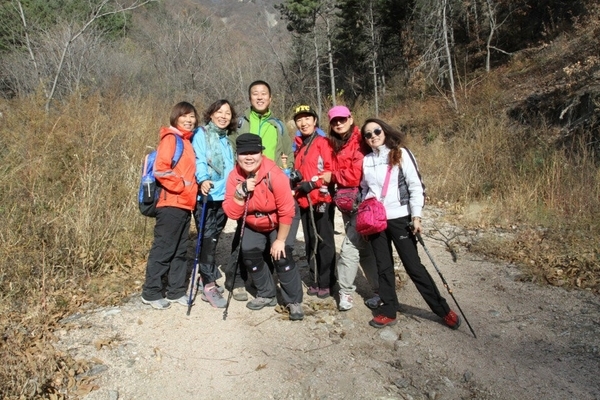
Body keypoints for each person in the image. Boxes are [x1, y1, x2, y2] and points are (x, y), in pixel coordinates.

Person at [359, 118, 461, 329]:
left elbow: (416, 186)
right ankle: (388, 311)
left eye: (376, 131)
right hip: (376, 221)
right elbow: (364, 189)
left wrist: (416, 216)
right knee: (383, 267)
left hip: (400, 218)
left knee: (414, 267)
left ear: (385, 131)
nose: (373, 136)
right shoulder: (366, 160)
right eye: (368, 135)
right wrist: (365, 211)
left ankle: (443, 310)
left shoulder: (401, 154)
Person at [222, 133, 304, 320]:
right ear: (237, 155)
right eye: (244, 153)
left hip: (281, 218)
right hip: (253, 221)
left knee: (281, 255)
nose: (249, 157)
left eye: (253, 152)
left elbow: (286, 210)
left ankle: (294, 300)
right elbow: (233, 214)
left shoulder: (274, 174)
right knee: (249, 252)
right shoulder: (234, 177)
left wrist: (280, 240)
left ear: (261, 153)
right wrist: (239, 194)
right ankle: (266, 294)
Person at [226, 80, 295, 301]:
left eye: (263, 93)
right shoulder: (240, 123)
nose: (259, 97)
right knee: (243, 234)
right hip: (244, 182)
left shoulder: (278, 125)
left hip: (270, 183)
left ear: (270, 98)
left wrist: (284, 176)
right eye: (255, 93)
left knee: (268, 237)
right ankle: (237, 279)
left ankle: (265, 282)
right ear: (250, 98)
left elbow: (287, 153)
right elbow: (230, 148)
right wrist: (236, 181)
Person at [319, 106, 379, 311]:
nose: (338, 123)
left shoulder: (360, 141)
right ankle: (380, 290)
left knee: (349, 248)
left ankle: (345, 291)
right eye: (334, 121)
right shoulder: (335, 143)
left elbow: (355, 175)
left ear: (351, 119)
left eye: (342, 119)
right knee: (364, 248)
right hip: (346, 202)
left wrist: (333, 176)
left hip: (362, 201)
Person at [141, 101, 199, 310]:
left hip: (184, 205)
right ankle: (151, 292)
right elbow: (161, 169)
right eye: (184, 116)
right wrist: (181, 186)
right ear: (175, 117)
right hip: (170, 203)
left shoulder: (186, 141)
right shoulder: (171, 138)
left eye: (192, 116)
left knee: (180, 250)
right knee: (164, 249)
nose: (189, 120)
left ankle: (176, 291)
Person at [191, 99, 237, 308]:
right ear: (211, 114)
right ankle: (208, 285)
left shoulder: (226, 139)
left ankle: (205, 275)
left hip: (224, 197)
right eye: (219, 112)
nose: (223, 116)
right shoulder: (202, 134)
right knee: (207, 240)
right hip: (207, 196)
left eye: (227, 113)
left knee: (214, 239)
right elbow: (199, 159)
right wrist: (202, 179)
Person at [291, 104, 336, 298]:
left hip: (321, 199)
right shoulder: (299, 146)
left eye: (307, 118)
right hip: (304, 200)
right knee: (310, 241)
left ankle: (327, 281)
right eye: (299, 119)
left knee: (324, 241)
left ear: (315, 120)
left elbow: (329, 170)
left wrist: (314, 184)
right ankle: (315, 279)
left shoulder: (323, 142)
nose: (303, 122)